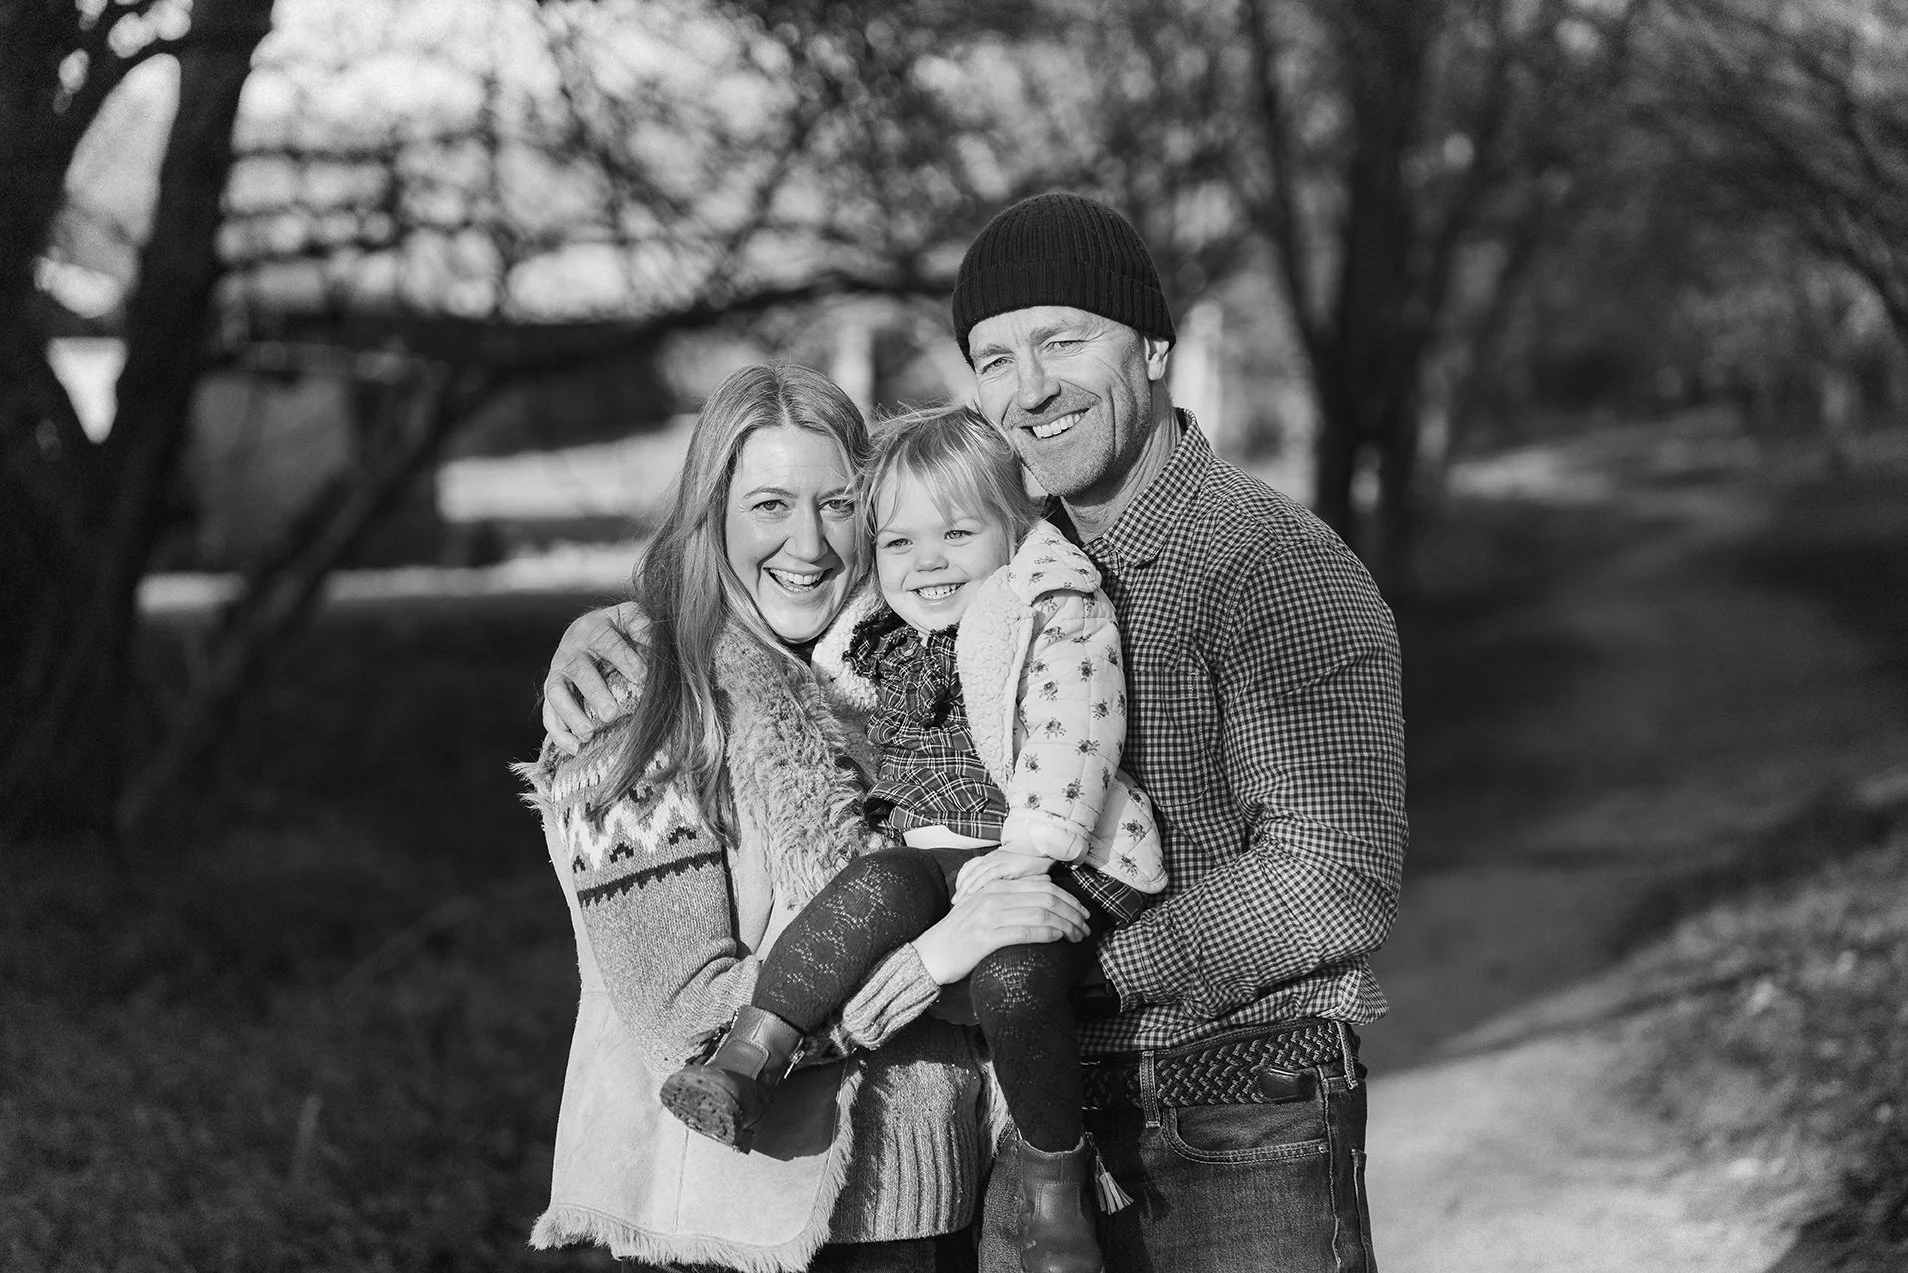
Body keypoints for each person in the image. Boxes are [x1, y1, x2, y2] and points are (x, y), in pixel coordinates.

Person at [545, 193, 1408, 1273]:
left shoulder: (1274, 567)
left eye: (1063, 341)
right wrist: (630, 626)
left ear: (1154, 347)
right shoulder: (988, 550)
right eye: (995, 358)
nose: (1030, 386)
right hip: (1011, 1144)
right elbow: (777, 577)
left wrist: (1023, 972)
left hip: (1229, 1118)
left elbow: (1333, 877)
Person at [520, 363, 1093, 1273]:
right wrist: (936, 961)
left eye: (838, 505)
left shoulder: (905, 675)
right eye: (770, 506)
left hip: (944, 1204)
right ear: (711, 515)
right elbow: (687, 1028)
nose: (811, 542)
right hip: (751, 1225)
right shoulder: (636, 706)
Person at [658, 404, 1167, 1273]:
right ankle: (748, 1055)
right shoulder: (873, 632)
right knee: (873, 888)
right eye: (899, 541)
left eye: (957, 534)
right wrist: (628, 622)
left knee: (1012, 980)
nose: (927, 560)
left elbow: (1074, 737)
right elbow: (743, 631)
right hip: (930, 858)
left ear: (1017, 532)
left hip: (1040, 859)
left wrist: (1027, 855)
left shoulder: (1046, 612)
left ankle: (1059, 1191)